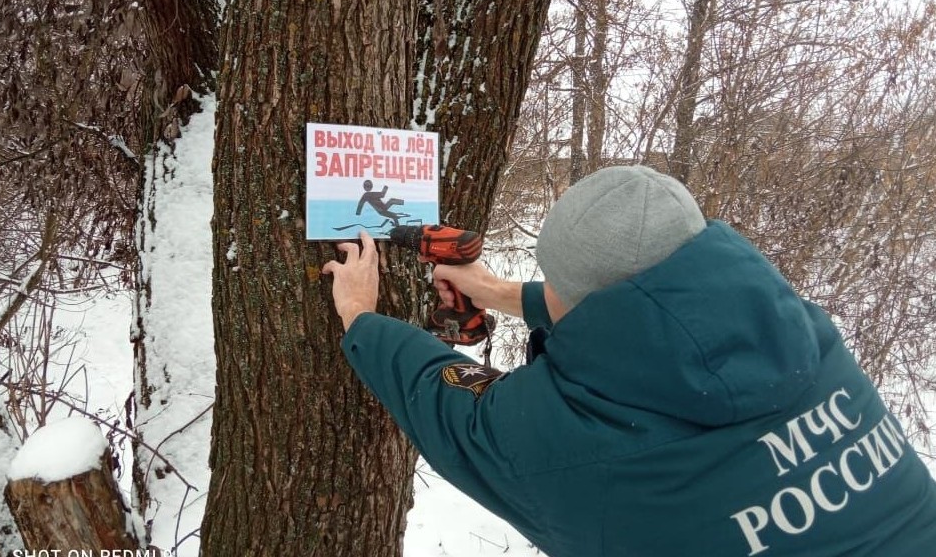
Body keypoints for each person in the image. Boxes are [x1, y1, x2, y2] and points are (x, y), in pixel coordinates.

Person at [323, 165, 936, 556]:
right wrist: (503, 294)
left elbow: (451, 406)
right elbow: (657, 321)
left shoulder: (569, 442)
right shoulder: (805, 335)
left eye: (553, 283)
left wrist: (362, 318)